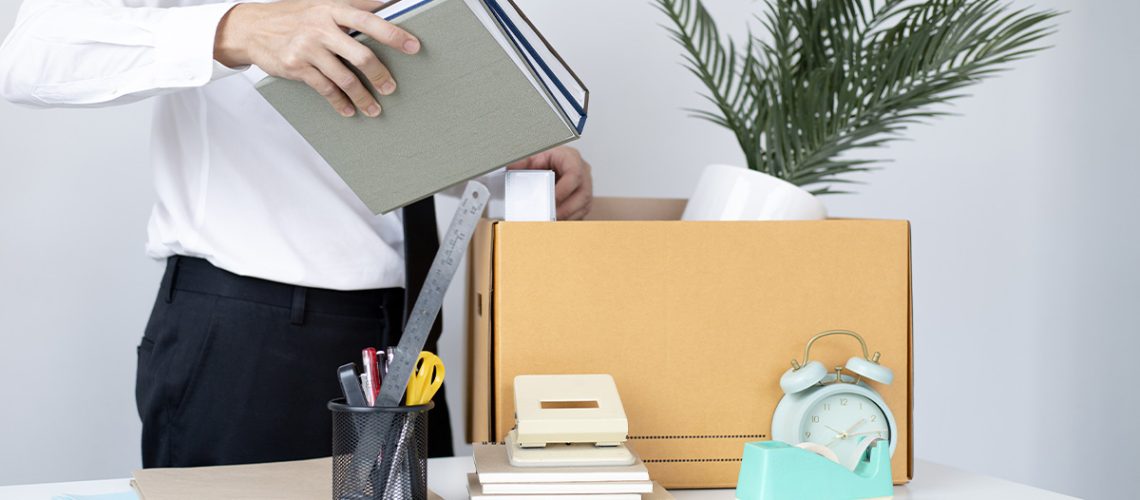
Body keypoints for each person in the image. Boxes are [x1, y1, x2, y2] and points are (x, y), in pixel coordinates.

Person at [0, 0, 593, 467]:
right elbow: (31, 53)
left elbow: (389, 124)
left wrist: (515, 160)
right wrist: (236, 29)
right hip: (248, 343)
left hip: (405, 338)